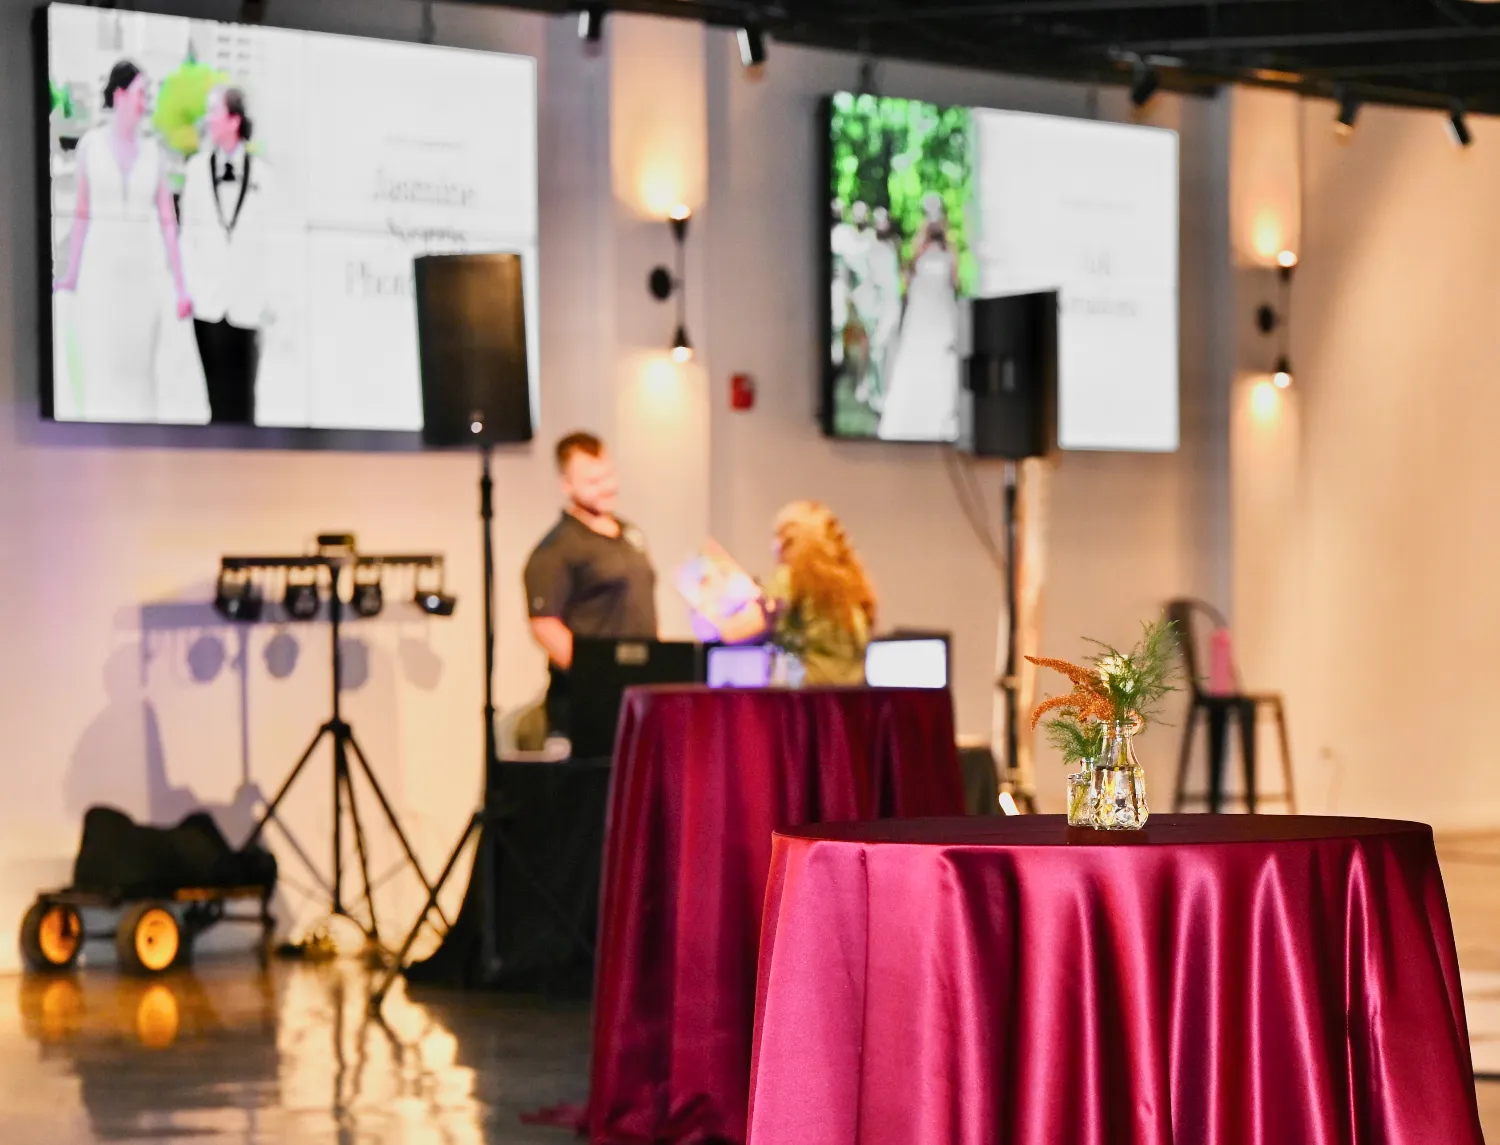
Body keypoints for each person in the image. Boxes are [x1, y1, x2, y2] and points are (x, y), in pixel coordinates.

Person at [53, 60, 193, 421]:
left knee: (141, 379)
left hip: (144, 283)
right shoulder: (90, 146)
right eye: (140, 93)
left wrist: (180, 285)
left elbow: (167, 223)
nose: (145, 101)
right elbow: (81, 215)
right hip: (101, 281)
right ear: (119, 95)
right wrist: (71, 274)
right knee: (103, 374)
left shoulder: (154, 155)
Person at [523, 432, 658, 736]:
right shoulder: (556, 548)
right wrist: (598, 675)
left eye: (608, 476)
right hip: (586, 701)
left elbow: (644, 603)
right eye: (593, 481)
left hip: (639, 693)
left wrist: (658, 666)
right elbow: (544, 624)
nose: (606, 487)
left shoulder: (629, 534)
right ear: (566, 485)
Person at [180, 86, 275, 425]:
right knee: (215, 400)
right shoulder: (194, 170)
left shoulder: (263, 175)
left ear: (234, 119)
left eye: (214, 111)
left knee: (245, 402)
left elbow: (271, 242)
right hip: (207, 302)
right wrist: (190, 287)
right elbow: (186, 234)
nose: (207, 118)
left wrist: (267, 296)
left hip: (247, 304)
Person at [715, 501, 877, 686]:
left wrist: (711, 603)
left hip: (807, 702)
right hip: (851, 704)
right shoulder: (854, 583)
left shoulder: (792, 578)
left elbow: (736, 632)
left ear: (787, 541)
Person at [878, 192, 962, 442]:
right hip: (920, 325)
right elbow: (908, 278)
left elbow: (955, 283)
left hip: (942, 321)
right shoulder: (918, 249)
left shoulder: (950, 251)